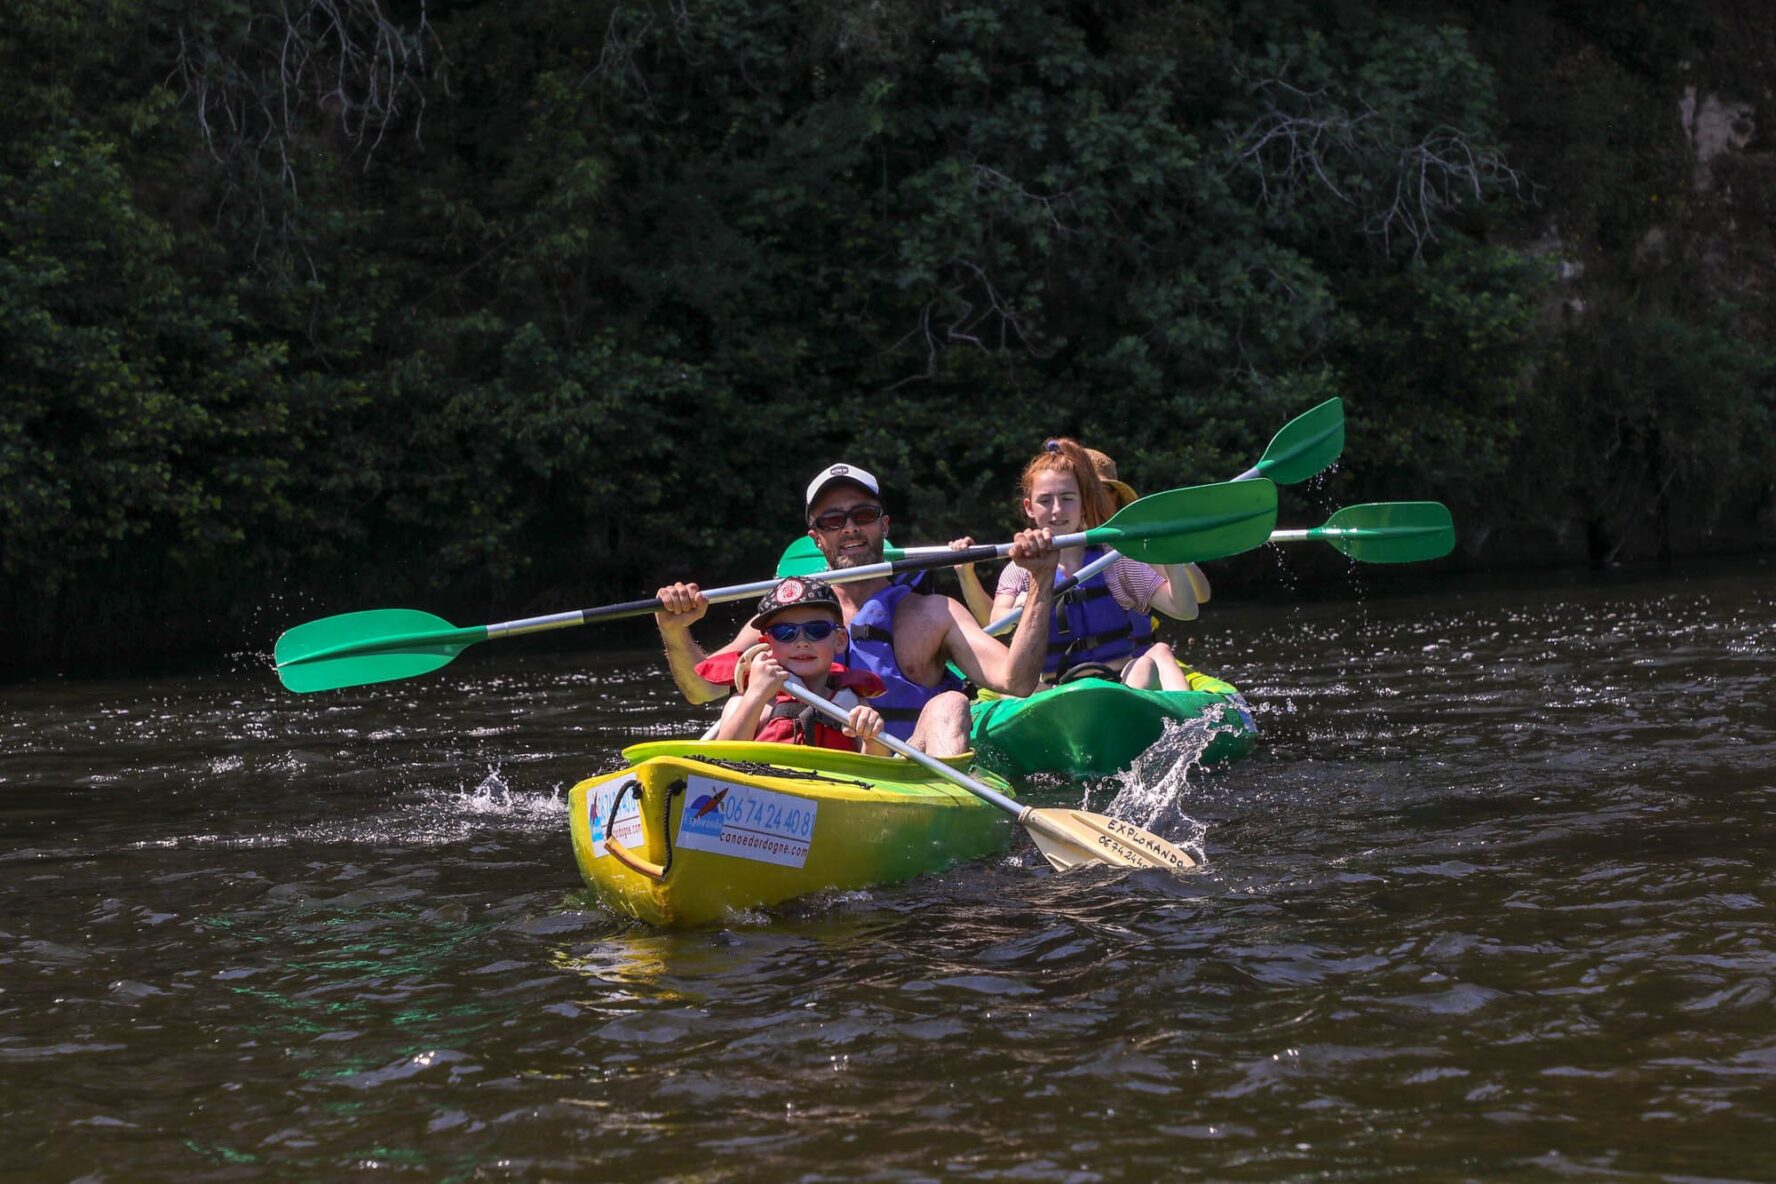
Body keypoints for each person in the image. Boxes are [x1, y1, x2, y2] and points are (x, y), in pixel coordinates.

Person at [654, 463, 1059, 755]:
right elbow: (700, 688)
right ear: (816, 539)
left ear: (884, 526)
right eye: (832, 521)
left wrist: (1041, 581)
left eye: (862, 516)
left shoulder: (935, 613)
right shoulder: (787, 617)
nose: (849, 528)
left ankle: (949, 822)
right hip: (806, 774)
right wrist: (675, 631)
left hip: (900, 774)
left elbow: (1017, 680)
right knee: (733, 705)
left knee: (950, 704)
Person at [954, 438, 1210, 692]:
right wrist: (1023, 603)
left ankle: (1180, 715)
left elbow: (1185, 610)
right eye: (1045, 501)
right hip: (1053, 690)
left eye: (1067, 499)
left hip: (1121, 685)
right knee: (1012, 687)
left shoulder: (1114, 562)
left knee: (1152, 659)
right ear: (1029, 508)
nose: (1057, 511)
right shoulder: (1020, 568)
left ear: (1083, 504)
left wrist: (1170, 555)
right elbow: (996, 622)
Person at [710, 576, 889, 754]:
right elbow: (719, 761)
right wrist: (756, 695)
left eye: (816, 630)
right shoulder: (745, 698)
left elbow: (881, 770)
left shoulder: (854, 703)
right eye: (785, 633)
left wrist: (872, 738)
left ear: (840, 641)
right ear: (767, 644)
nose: (801, 642)